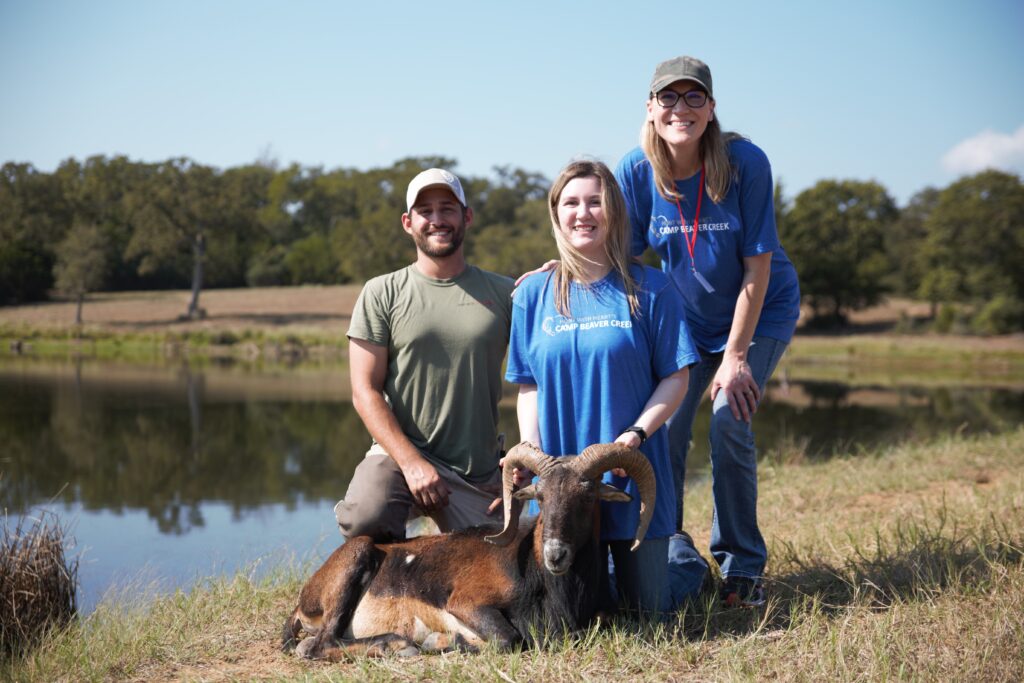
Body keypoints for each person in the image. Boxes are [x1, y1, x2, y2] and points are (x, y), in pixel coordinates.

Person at [614, 56, 801, 607]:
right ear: (650, 109)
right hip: (688, 324)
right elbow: (619, 256)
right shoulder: (635, 170)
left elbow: (757, 267)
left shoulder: (745, 163)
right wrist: (564, 268)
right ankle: (672, 550)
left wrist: (736, 357)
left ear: (712, 108)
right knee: (664, 431)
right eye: (668, 97)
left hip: (760, 311)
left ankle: (742, 568)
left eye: (694, 97)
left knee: (727, 422)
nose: (681, 108)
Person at [506, 159, 697, 615]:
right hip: (561, 494)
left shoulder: (650, 288)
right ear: (556, 213)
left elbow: (677, 376)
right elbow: (528, 383)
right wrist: (530, 451)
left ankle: (685, 560)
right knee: (570, 611)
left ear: (614, 211)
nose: (583, 213)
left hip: (629, 476)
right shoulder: (533, 294)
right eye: (571, 203)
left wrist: (636, 435)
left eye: (595, 201)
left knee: (647, 612)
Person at [334, 168, 514, 542]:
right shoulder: (381, 292)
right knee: (367, 517)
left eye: (447, 208)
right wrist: (411, 462)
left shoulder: (506, 293)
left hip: (476, 473)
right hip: (399, 457)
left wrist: (519, 463)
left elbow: (540, 379)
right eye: (425, 211)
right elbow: (364, 391)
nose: (437, 220)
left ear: (467, 216)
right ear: (408, 222)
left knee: (496, 564)